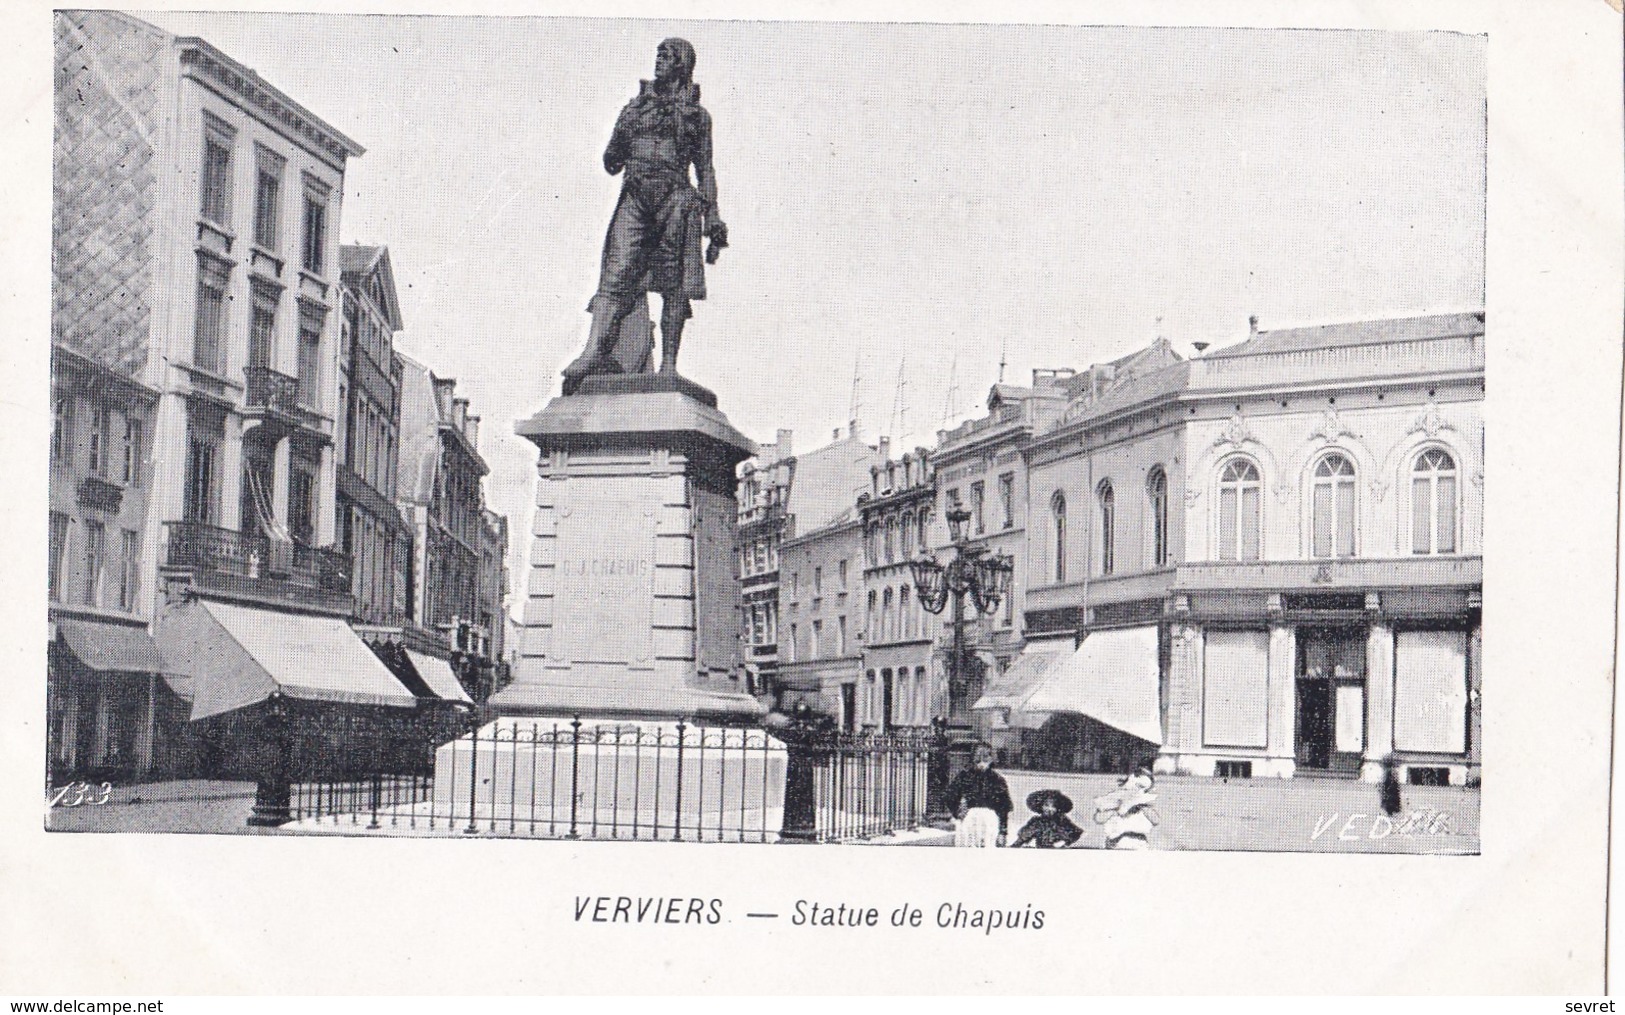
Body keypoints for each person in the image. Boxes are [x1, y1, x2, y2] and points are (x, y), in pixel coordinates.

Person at [562, 37, 729, 395]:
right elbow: (611, 163)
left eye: (667, 56)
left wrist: (713, 214)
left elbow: (706, 168)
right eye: (657, 54)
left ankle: (669, 364)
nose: (659, 61)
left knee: (674, 283)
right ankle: (592, 351)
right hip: (636, 196)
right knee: (616, 271)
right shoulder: (634, 109)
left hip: (675, 197)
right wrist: (620, 133)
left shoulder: (697, 117)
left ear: (682, 66)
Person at [944, 743, 1013, 847]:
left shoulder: (997, 780)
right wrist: (958, 812)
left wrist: (1003, 832)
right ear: (973, 758)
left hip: (990, 821)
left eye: (985, 758)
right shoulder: (964, 776)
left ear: (991, 759)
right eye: (978, 759)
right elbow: (950, 796)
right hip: (969, 819)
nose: (981, 763)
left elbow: (1004, 807)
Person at [1092, 767, 1161, 850]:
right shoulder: (1114, 798)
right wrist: (1117, 808)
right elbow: (1099, 819)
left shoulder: (1146, 803)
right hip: (1116, 842)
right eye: (1137, 785)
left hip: (1138, 842)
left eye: (1144, 789)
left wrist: (1142, 806)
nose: (1138, 790)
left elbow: (1156, 821)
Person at [1011, 789, 1084, 848]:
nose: (1049, 809)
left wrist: (1064, 846)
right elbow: (1023, 838)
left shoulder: (1063, 821)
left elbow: (1075, 836)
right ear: (1041, 806)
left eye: (1053, 806)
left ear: (1058, 808)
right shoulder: (1036, 821)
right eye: (1046, 805)